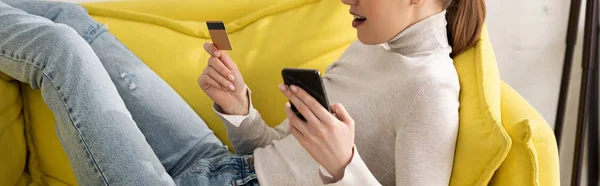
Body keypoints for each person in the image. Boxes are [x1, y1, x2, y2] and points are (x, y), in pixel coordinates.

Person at [0, 0, 485, 185]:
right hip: (221, 168)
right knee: (75, 23)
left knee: (60, 49)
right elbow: (278, 157)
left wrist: (344, 168)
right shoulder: (371, 45)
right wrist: (241, 111)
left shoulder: (432, 91)